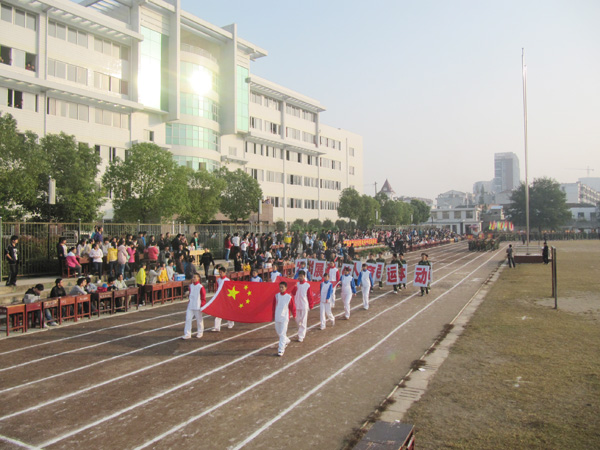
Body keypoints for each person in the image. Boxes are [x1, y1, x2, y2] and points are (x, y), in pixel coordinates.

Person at [273, 281, 295, 356]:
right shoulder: (277, 296)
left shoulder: (288, 297)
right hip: (277, 316)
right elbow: (273, 306)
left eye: (282, 287)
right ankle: (286, 340)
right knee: (278, 332)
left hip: (284, 318)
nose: (281, 288)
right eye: (280, 287)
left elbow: (292, 306)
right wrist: (273, 315)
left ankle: (281, 349)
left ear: (286, 288)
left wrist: (294, 314)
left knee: (282, 333)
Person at [182, 273, 206, 339]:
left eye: (195, 277)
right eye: (193, 277)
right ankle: (187, 334)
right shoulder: (190, 286)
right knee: (188, 319)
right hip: (190, 305)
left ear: (198, 278)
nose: (193, 278)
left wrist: (202, 305)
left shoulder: (200, 287)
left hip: (197, 305)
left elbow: (203, 297)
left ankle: (200, 332)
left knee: (199, 320)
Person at [293, 270, 312, 342]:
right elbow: (293, 293)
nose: (300, 277)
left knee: (303, 321)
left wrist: (311, 304)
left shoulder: (307, 285)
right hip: (297, 304)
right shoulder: (296, 284)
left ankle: (301, 336)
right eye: (299, 276)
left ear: (304, 276)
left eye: (302, 276)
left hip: (304, 305)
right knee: (297, 320)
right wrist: (294, 287)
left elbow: (310, 296)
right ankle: (300, 331)